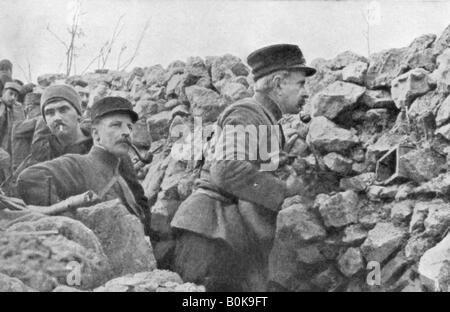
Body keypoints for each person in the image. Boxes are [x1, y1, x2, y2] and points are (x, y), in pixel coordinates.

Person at [170, 44, 316, 291]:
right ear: (278, 83)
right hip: (211, 233)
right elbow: (226, 168)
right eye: (301, 84)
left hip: (227, 236)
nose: (306, 93)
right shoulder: (248, 112)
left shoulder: (268, 120)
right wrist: (284, 191)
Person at [17, 96, 150, 233]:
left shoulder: (118, 159)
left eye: (129, 127)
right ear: (96, 135)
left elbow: (139, 198)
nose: (126, 132)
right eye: (116, 125)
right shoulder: (77, 163)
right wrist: (61, 220)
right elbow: (30, 177)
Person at [0, 81, 25, 182]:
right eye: (10, 93)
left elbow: (20, 127)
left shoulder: (15, 109)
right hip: (3, 152)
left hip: (7, 147)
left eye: (16, 95)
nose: (13, 98)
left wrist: (19, 111)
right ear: (3, 92)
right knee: (5, 158)